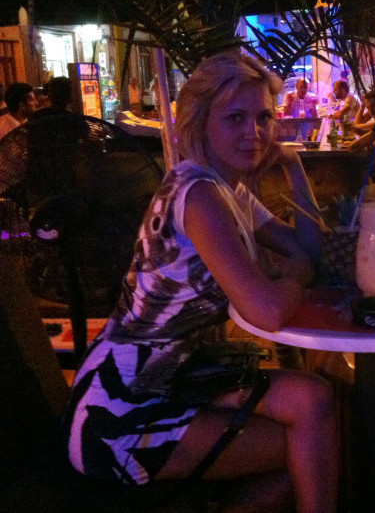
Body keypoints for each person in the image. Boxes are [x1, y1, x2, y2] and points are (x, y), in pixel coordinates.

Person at [63, 51, 338, 513]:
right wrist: (296, 275)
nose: (254, 132)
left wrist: (293, 167)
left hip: (183, 375)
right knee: (312, 444)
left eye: (263, 117)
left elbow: (309, 249)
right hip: (121, 408)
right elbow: (267, 311)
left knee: (314, 400)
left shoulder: (229, 189)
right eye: (235, 118)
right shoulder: (199, 194)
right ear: (200, 122)